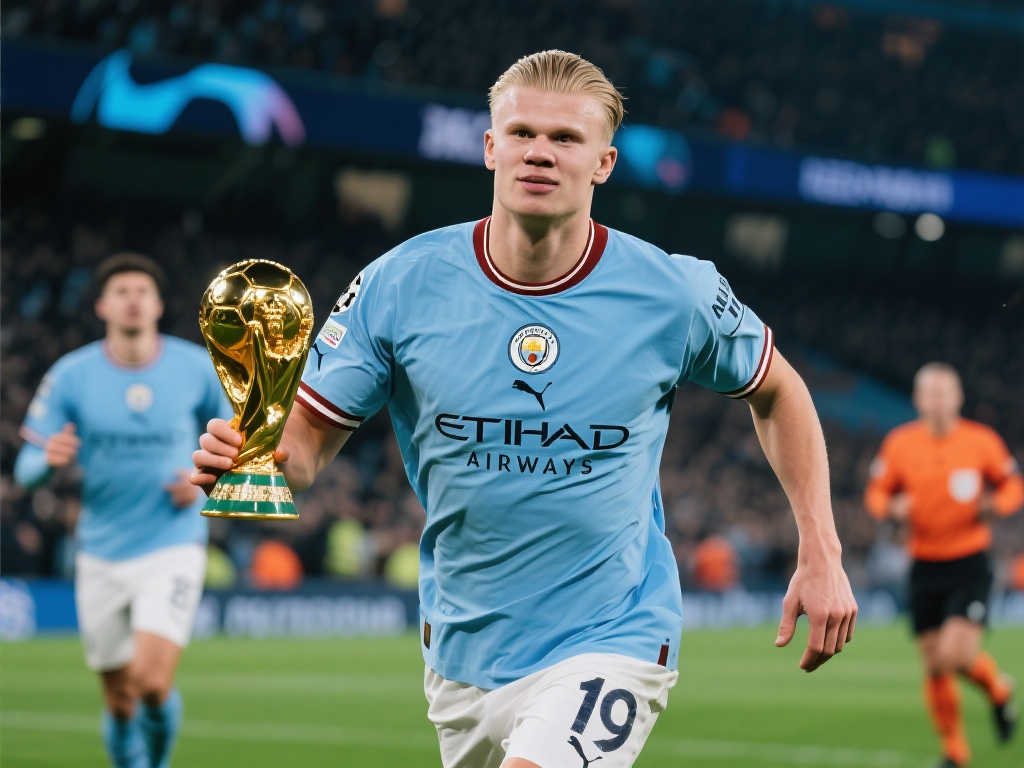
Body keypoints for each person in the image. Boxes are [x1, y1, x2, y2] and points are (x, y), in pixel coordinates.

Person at [193, 50, 857, 768]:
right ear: (490, 147)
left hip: (614, 636)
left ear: (603, 163)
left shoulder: (673, 293)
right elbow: (305, 446)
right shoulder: (399, 285)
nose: (540, 152)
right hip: (462, 655)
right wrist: (253, 460)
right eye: (522, 133)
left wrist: (821, 549)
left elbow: (778, 390)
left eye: (566, 138)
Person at [15, 253, 230, 768]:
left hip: (172, 543)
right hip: (100, 549)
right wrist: (47, 461)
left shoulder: (197, 368)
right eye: (121, 292)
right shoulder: (71, 375)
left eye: (142, 292)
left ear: (158, 304)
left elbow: (237, 443)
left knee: (151, 684)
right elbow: (25, 468)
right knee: (119, 700)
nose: (133, 300)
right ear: (101, 306)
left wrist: (206, 481)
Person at [865, 362, 1022, 768]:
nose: (936, 401)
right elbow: (876, 494)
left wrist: (995, 504)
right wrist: (892, 508)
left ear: (958, 397)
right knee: (935, 665)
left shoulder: (981, 441)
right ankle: (956, 750)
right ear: (918, 399)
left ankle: (997, 690)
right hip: (923, 564)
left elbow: (1013, 486)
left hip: (969, 563)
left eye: (943, 392)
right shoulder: (900, 443)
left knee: (953, 655)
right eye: (929, 393)